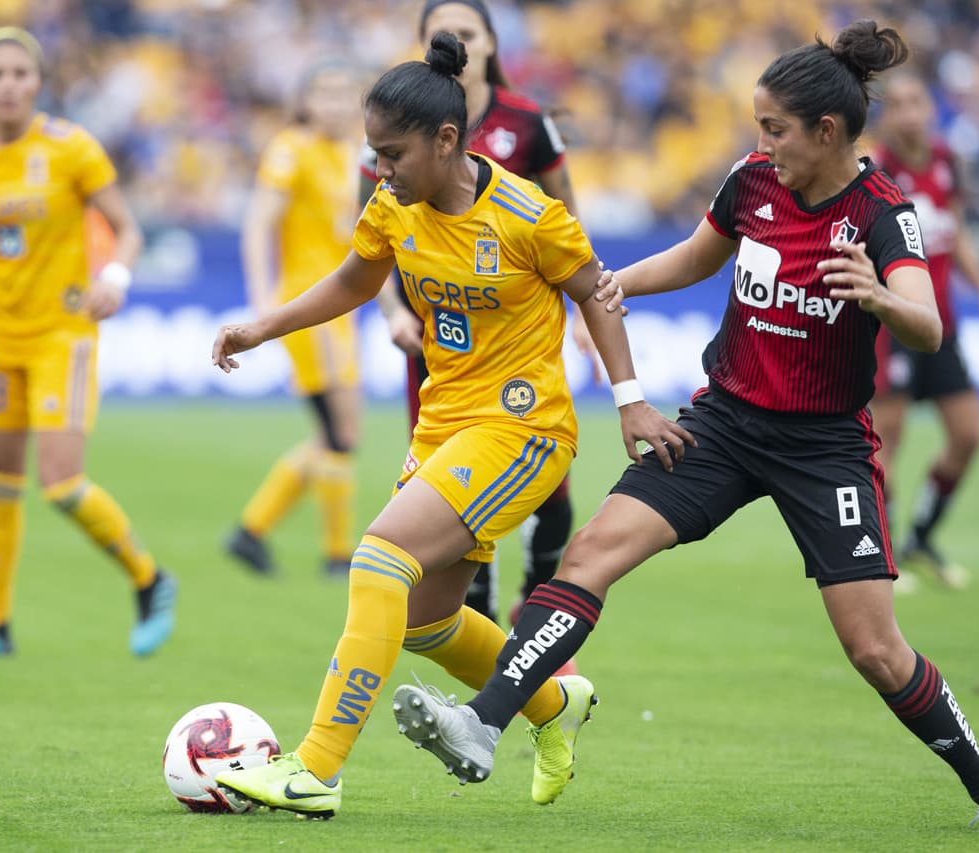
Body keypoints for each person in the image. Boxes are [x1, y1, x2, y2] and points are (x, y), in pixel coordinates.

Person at [393, 22, 979, 834]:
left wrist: (880, 299)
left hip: (825, 447)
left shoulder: (882, 213)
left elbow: (927, 325)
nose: (760, 142)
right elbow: (700, 256)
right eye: (757, 127)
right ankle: (484, 723)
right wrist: (605, 285)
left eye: (774, 128)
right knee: (593, 552)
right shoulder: (752, 182)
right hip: (725, 424)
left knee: (875, 649)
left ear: (827, 131)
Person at [207, 34, 692, 818]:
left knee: (377, 562)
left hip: (523, 431)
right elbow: (354, 280)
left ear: (444, 139)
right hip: (444, 428)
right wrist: (264, 327)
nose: (380, 168)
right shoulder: (394, 205)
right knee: (428, 620)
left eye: (391, 152)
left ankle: (316, 769)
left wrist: (630, 398)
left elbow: (597, 292)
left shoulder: (532, 217)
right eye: (373, 152)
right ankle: (551, 706)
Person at [0, 27, 176, 659]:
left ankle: (150, 579)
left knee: (61, 484)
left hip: (63, 335)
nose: (7, 85)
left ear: (38, 82)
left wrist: (115, 275)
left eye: (19, 74)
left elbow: (128, 229)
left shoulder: (71, 147)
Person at [366, 0, 594, 639]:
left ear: (492, 44)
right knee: (443, 500)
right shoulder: (396, 129)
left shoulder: (527, 123)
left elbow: (565, 213)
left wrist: (583, 307)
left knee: (551, 496)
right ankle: (483, 619)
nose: (461, 44)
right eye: (446, 34)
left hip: (519, 339)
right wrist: (391, 312)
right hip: (438, 334)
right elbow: (372, 239)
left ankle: (535, 612)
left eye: (470, 32)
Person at [869, 72, 979, 590]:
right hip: (895, 326)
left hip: (942, 326)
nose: (908, 113)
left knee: (968, 434)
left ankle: (921, 537)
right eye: (898, 104)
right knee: (887, 441)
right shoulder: (877, 171)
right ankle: (883, 557)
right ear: (887, 114)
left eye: (916, 102)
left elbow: (958, 235)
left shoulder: (946, 162)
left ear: (929, 108)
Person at [224, 62, 364, 579]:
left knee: (340, 431)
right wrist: (263, 301)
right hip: (306, 308)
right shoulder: (292, 148)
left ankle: (251, 530)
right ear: (305, 102)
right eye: (324, 93)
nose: (335, 104)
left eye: (344, 93)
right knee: (339, 430)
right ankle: (336, 553)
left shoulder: (352, 154)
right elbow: (259, 224)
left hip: (340, 309)